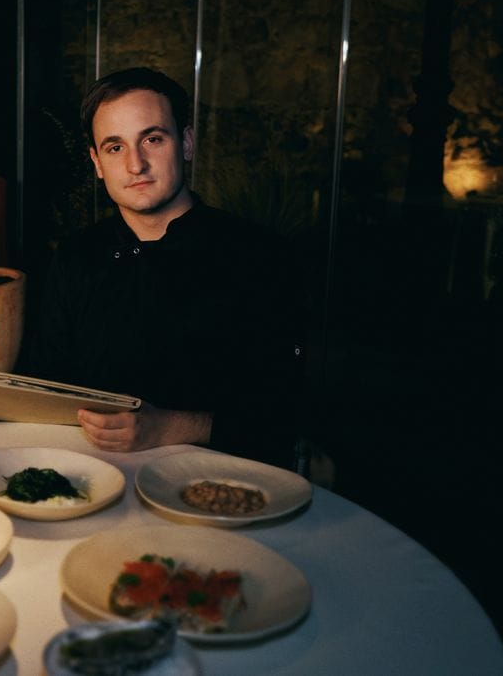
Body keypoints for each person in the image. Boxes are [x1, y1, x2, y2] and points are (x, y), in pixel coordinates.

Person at [26, 67, 304, 466]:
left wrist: (171, 426)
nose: (135, 164)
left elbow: (284, 411)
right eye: (115, 147)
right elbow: (46, 386)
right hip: (94, 476)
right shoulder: (75, 257)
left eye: (152, 139)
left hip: (220, 481)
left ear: (187, 143)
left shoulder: (260, 256)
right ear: (97, 162)